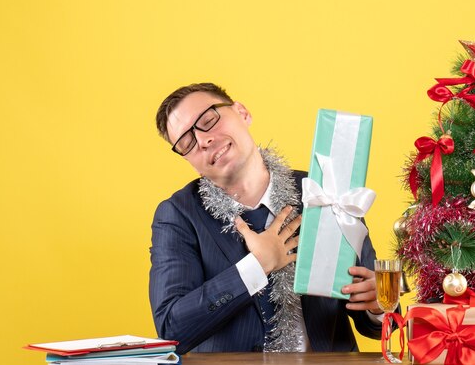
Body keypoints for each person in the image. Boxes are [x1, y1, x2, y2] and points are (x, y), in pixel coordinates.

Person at [149, 83, 385, 354]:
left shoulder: (324, 191)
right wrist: (256, 267)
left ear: (242, 112)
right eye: (187, 143)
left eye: (208, 120)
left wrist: (377, 307)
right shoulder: (178, 215)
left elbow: (375, 322)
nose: (203, 140)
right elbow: (171, 329)